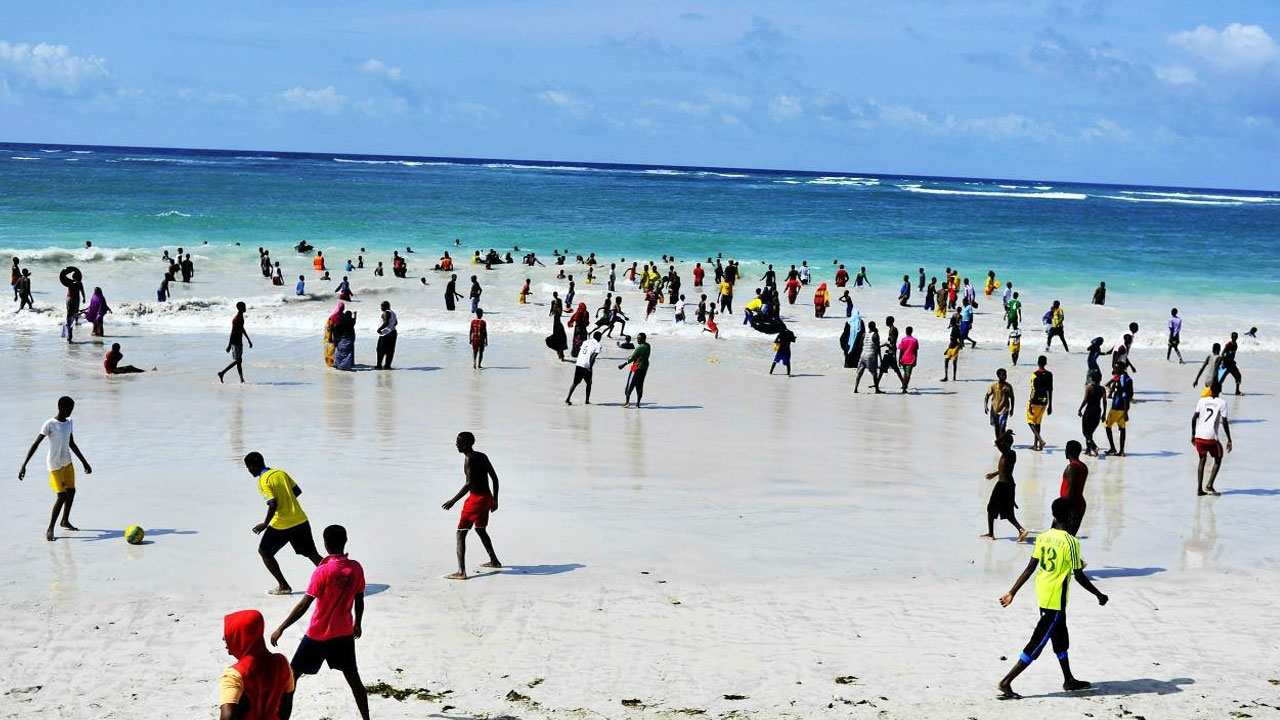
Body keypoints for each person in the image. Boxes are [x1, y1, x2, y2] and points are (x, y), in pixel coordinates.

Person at [996, 497, 1109, 699]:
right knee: (1038, 642)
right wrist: (1099, 594)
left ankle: (1069, 679)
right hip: (1055, 598)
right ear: (1070, 516)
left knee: (1060, 637)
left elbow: (1030, 568)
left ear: (1054, 515)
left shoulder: (1043, 537)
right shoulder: (1071, 542)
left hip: (1043, 591)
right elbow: (1079, 575)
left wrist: (1012, 591)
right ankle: (1006, 682)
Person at [270, 525, 369, 720]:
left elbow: (304, 605)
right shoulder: (356, 568)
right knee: (354, 680)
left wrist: (281, 628)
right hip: (343, 634)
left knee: (291, 679)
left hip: (317, 635)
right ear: (345, 541)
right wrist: (357, 624)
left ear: (325, 544)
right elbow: (359, 599)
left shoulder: (322, 571)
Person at [243, 452, 323, 595]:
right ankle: (338, 577)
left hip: (281, 525)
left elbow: (272, 504)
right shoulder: (280, 473)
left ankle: (284, 586)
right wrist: (287, 501)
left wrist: (265, 524)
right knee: (312, 554)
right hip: (300, 520)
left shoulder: (263, 481)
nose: (249, 471)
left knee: (264, 552)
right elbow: (297, 491)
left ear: (252, 466)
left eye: (248, 467)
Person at [17, 396, 92, 541]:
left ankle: (64, 521)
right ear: (61, 408)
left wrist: (84, 462)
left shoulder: (69, 422)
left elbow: (71, 443)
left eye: (72, 409)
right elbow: (36, 444)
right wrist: (24, 465)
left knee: (71, 491)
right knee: (61, 496)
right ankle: (50, 528)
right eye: (69, 409)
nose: (70, 412)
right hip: (54, 464)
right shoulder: (50, 424)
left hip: (67, 462)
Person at [441, 432, 502, 579]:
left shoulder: (469, 459)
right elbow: (494, 478)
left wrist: (453, 500)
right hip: (487, 498)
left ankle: (461, 572)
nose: (456, 445)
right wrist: (495, 499)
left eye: (458, 442)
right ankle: (494, 561)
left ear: (465, 445)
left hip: (476, 500)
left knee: (461, 532)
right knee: (480, 529)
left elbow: (469, 484)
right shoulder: (482, 456)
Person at [219, 609, 294, 720]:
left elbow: (227, 718)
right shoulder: (282, 662)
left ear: (241, 636)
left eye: (230, 633)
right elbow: (286, 706)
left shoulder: (234, 675)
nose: (224, 638)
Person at [981, 430, 1028, 543]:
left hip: (1002, 485)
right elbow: (1004, 469)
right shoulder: (1011, 454)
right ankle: (1021, 530)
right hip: (1010, 484)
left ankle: (991, 534)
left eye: (1003, 442)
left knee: (991, 508)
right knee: (1008, 512)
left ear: (1006, 443)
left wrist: (1005, 433)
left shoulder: (1006, 452)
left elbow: (996, 442)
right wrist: (994, 474)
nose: (1001, 443)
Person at [1191, 383, 1233, 496]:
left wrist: (1193, 434)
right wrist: (1229, 439)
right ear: (1220, 390)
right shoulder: (1222, 403)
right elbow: (1224, 422)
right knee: (1218, 457)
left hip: (1199, 436)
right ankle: (1209, 485)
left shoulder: (1202, 401)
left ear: (1210, 390)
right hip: (1211, 437)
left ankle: (1199, 489)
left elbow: (1194, 418)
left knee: (1202, 459)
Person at [218, 302, 253, 383]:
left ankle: (241, 379)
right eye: (244, 307)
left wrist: (248, 339)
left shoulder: (241, 317)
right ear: (240, 308)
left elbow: (242, 329)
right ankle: (222, 373)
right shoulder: (237, 318)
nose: (245, 308)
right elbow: (233, 332)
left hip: (239, 341)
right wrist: (229, 345)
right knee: (238, 360)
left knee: (239, 361)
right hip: (235, 342)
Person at [566, 331, 604, 404]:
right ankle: (587, 400)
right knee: (589, 383)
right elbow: (593, 357)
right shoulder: (598, 345)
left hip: (579, 362)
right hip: (586, 364)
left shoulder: (586, 341)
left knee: (575, 383)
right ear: (599, 337)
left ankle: (568, 398)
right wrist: (590, 367)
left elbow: (582, 351)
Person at [1060, 441, 1088, 535]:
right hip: (1079, 505)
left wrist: (1064, 511)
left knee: (1059, 537)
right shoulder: (1083, 466)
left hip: (1069, 507)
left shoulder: (1072, 467)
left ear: (1068, 451)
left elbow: (1071, 490)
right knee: (1070, 537)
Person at [1104, 368, 1133, 456]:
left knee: (1107, 426)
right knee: (1122, 429)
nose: (1115, 370)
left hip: (1116, 408)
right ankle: (1121, 451)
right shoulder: (1126, 378)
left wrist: (1126, 413)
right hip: (1123, 409)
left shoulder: (1122, 381)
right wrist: (1126, 411)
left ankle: (1113, 448)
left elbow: (1125, 396)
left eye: (1116, 368)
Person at [1027, 355, 1053, 451]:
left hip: (1035, 401)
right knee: (1038, 422)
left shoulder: (1034, 374)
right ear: (1045, 363)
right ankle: (1036, 445)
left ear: (1038, 363)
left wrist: (1030, 403)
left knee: (1030, 422)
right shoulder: (1049, 374)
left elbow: (1033, 389)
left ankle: (1040, 440)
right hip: (1044, 401)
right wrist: (1050, 405)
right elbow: (1050, 390)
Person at [619, 332, 651, 408]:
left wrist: (623, 364)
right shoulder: (648, 346)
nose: (637, 340)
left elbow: (632, 358)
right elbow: (639, 356)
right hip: (644, 367)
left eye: (639, 339)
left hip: (636, 366)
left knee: (630, 384)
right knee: (640, 385)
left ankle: (627, 402)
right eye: (637, 338)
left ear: (643, 339)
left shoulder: (639, 347)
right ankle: (638, 403)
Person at [1077, 369, 1105, 456]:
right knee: (1090, 432)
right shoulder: (1102, 389)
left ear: (1091, 378)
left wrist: (1080, 409)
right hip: (1098, 411)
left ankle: (1094, 446)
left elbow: (1085, 400)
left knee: (1085, 432)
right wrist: (1104, 413)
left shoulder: (1089, 387)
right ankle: (1088, 450)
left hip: (1089, 411)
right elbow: (1104, 401)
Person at [984, 369, 1015, 440]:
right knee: (997, 426)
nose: (1004, 376)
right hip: (995, 408)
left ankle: (1001, 441)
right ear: (998, 376)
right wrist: (985, 406)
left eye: (1005, 375)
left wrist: (1012, 409)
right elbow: (987, 395)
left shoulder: (1008, 386)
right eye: (1002, 375)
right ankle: (998, 440)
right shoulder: (994, 386)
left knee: (1002, 426)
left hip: (1005, 409)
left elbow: (1012, 397)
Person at [854, 320, 881, 393]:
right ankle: (877, 390)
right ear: (874, 326)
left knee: (859, 373)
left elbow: (860, 345)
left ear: (868, 327)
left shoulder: (864, 334)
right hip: (871, 355)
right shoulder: (875, 335)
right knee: (874, 373)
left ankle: (855, 389)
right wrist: (880, 358)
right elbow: (877, 348)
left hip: (863, 355)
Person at [375, 301, 397, 370]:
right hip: (393, 332)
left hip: (385, 334)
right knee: (390, 350)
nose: (381, 308)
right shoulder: (393, 313)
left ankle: (379, 366)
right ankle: (387, 365)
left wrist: (379, 329)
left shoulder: (386, 312)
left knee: (380, 350)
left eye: (382, 306)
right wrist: (391, 326)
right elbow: (396, 323)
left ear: (386, 306)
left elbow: (386, 322)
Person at [897, 326, 918, 393]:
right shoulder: (915, 340)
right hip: (911, 359)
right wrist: (916, 360)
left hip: (904, 358)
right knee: (908, 374)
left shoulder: (903, 340)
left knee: (905, 373)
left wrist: (899, 359)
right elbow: (915, 351)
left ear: (906, 332)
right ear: (912, 331)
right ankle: (904, 388)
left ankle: (904, 386)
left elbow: (901, 350)